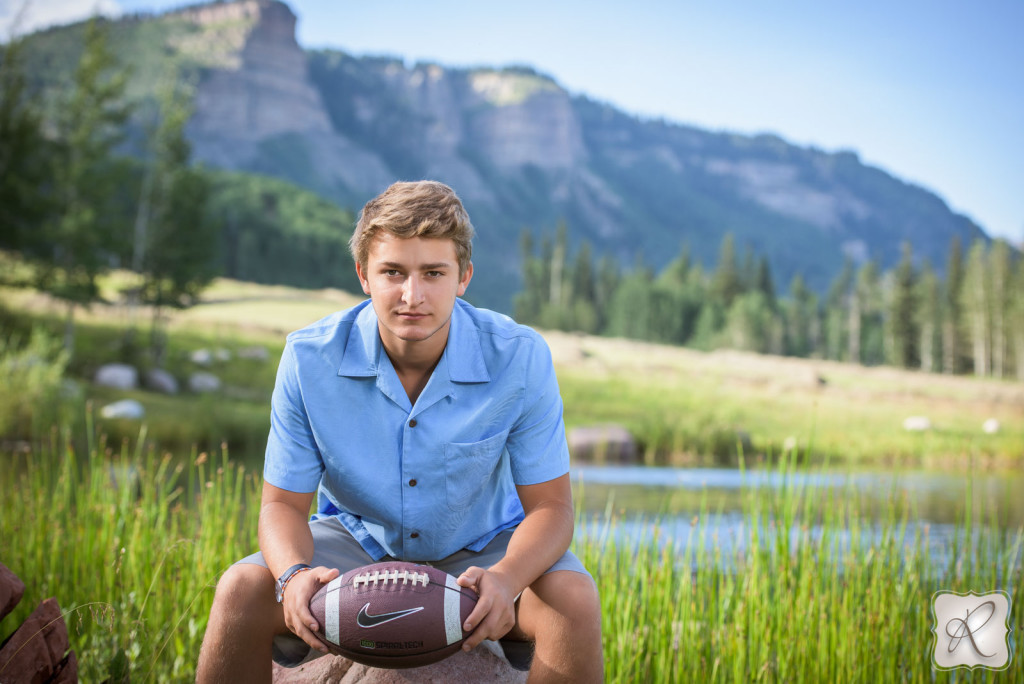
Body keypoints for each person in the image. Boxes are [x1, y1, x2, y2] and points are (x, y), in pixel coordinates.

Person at [196, 181, 603, 683]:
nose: (413, 296)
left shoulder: (520, 357)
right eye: (393, 272)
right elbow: (281, 505)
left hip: (484, 551)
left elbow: (552, 508)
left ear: (464, 277)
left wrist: (506, 578)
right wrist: (293, 575)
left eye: (434, 273)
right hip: (354, 541)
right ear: (364, 275)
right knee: (240, 587)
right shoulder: (308, 359)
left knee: (575, 599)